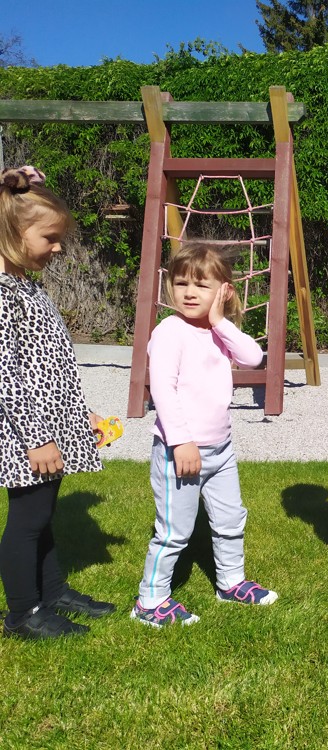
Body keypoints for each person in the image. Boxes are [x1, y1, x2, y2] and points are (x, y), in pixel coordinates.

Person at [132, 242, 277, 627]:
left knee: (231, 520)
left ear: (224, 291)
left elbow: (253, 358)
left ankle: (230, 583)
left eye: (201, 285)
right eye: (181, 284)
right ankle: (149, 600)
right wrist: (181, 441)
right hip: (180, 451)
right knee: (174, 531)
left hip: (221, 450)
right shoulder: (170, 331)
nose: (190, 292)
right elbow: (162, 389)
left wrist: (219, 320)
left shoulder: (218, 332)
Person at [0, 166, 114, 640]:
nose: (58, 247)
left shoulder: (25, 285)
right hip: (26, 433)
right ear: (12, 231)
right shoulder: (2, 294)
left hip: (48, 424)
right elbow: (6, 377)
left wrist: (78, 412)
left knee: (42, 515)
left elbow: (48, 363)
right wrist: (37, 438)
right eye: (50, 237)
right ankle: (23, 614)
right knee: (27, 521)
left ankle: (52, 592)